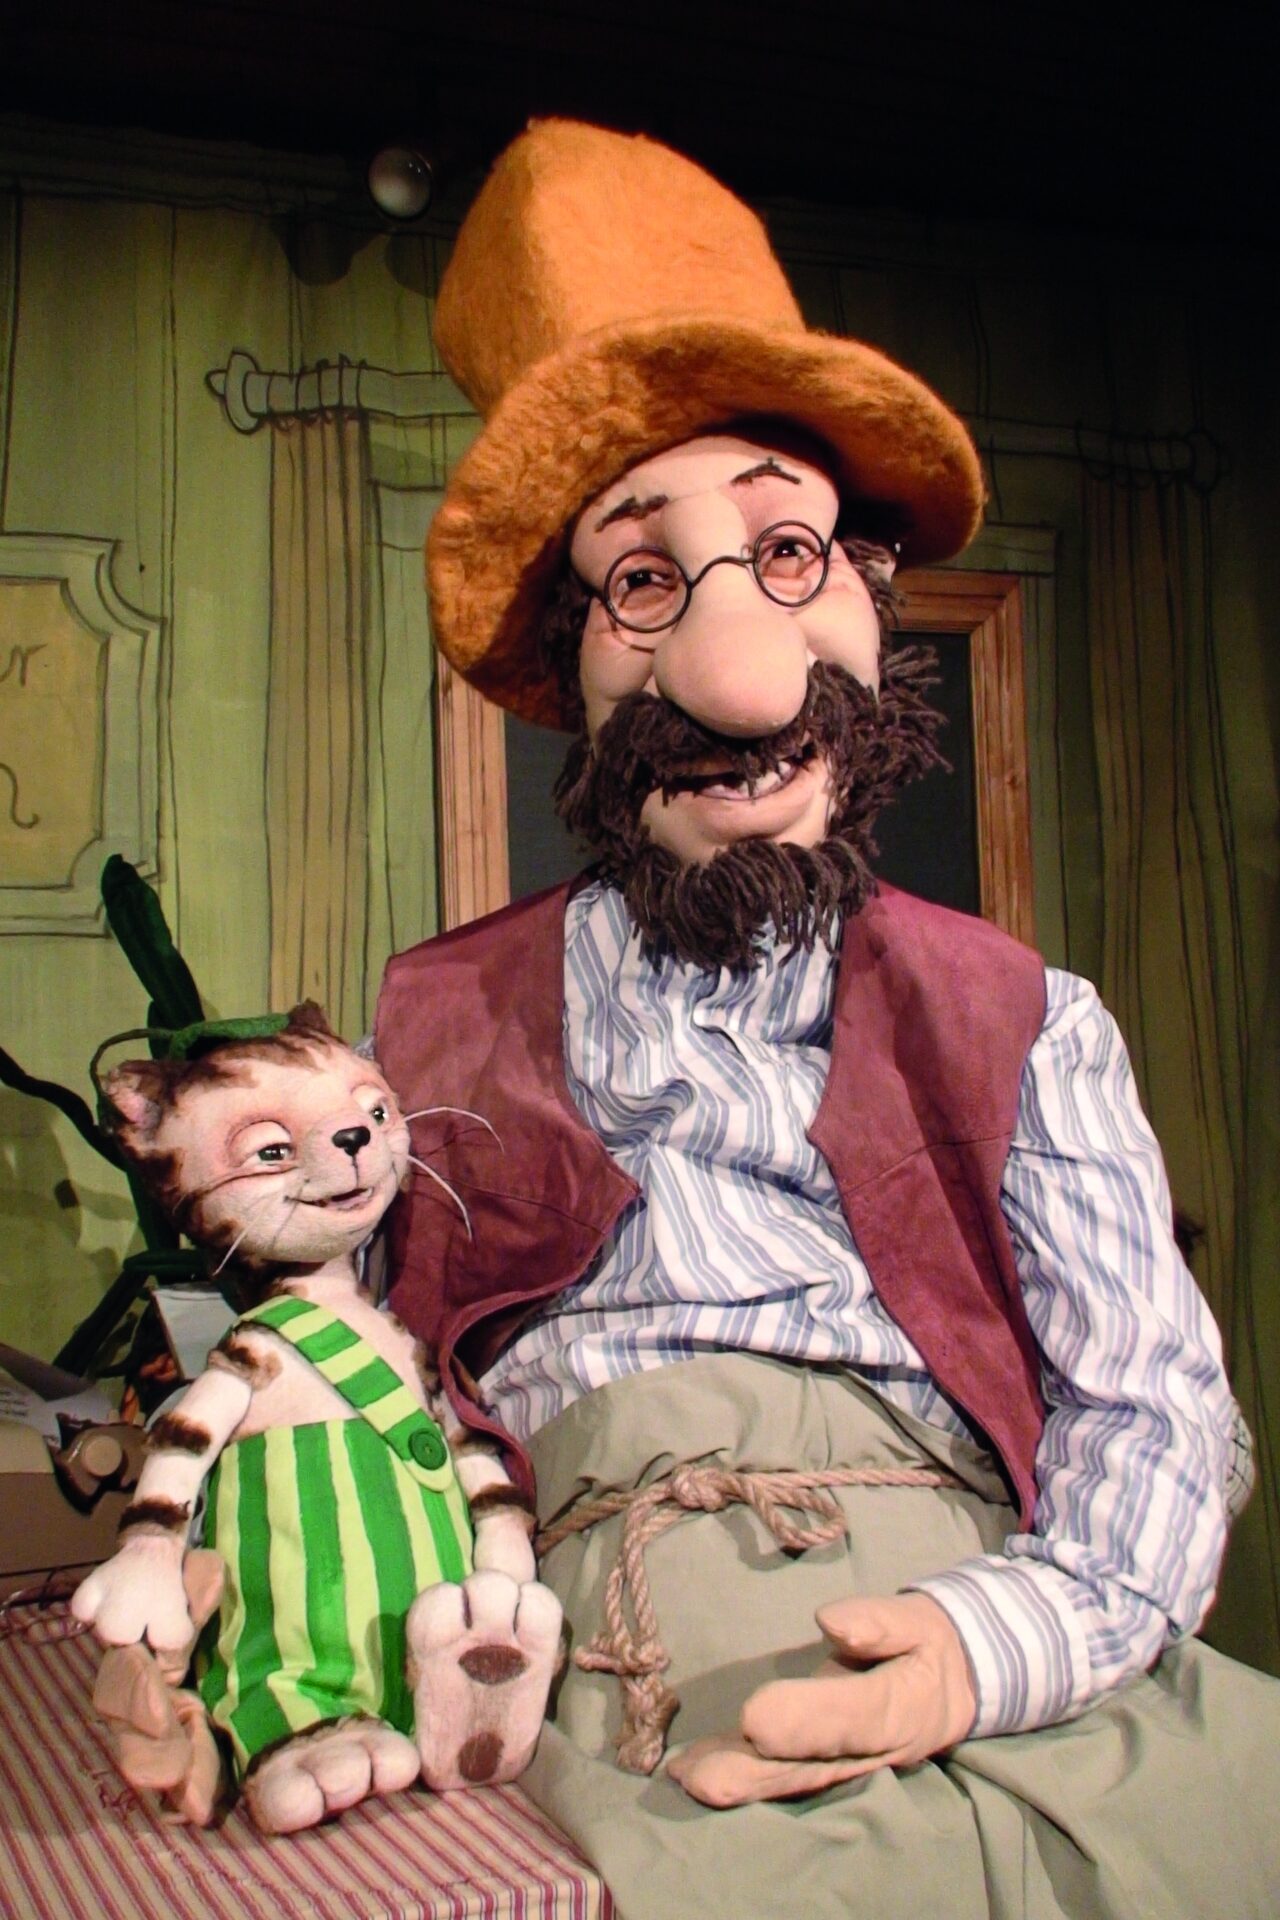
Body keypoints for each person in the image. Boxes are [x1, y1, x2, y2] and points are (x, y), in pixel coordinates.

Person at [374, 120, 1280, 1917]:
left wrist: (997, 1642)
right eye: (644, 578)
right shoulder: (439, 1020)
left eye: (786, 550)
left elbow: (1158, 1404)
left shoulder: (1025, 1020)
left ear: (865, 586)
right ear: (575, 661)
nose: (733, 678)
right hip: (601, 1598)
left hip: (982, 1576)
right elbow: (355, 1383)